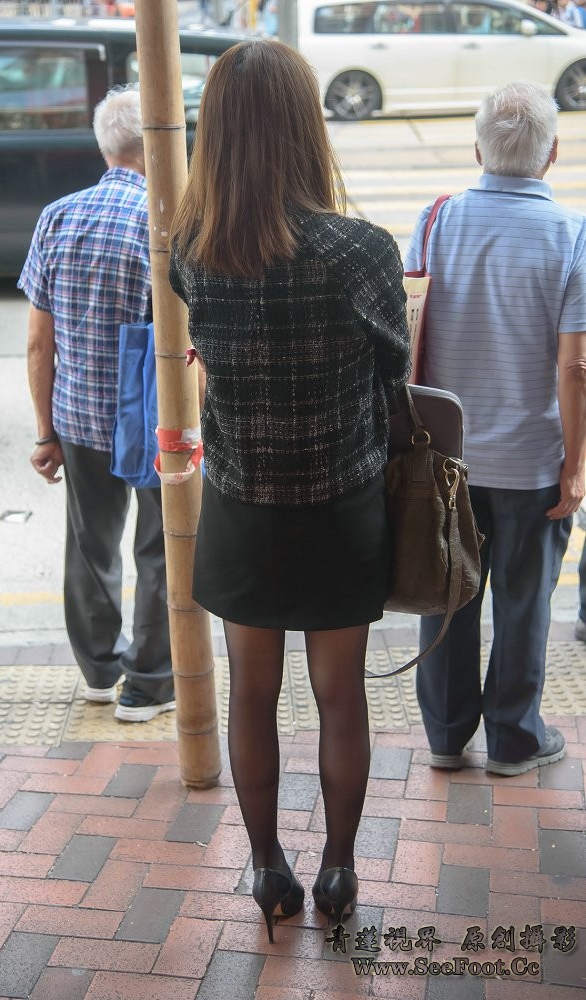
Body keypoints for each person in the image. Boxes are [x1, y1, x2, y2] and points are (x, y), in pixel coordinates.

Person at [169, 40, 409, 942]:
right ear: (306, 125)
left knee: (250, 694)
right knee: (341, 696)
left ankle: (267, 866)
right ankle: (338, 870)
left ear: (218, 130)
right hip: (341, 505)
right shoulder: (361, 251)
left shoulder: (190, 250)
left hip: (240, 507)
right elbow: (394, 372)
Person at [406, 81, 586, 777]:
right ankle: (513, 739)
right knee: (523, 601)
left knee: (445, 594)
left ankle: (446, 737)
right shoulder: (571, 234)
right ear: (552, 153)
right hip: (532, 461)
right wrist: (575, 464)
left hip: (445, 457)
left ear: (478, 150)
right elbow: (574, 366)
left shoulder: (435, 221)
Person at [18, 86, 175, 724]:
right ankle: (149, 685)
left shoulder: (57, 217)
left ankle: (100, 672)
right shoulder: (168, 222)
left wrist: (45, 432)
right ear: (156, 144)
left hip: (79, 418)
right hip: (157, 422)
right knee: (162, 549)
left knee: (91, 548)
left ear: (104, 145)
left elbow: (39, 342)